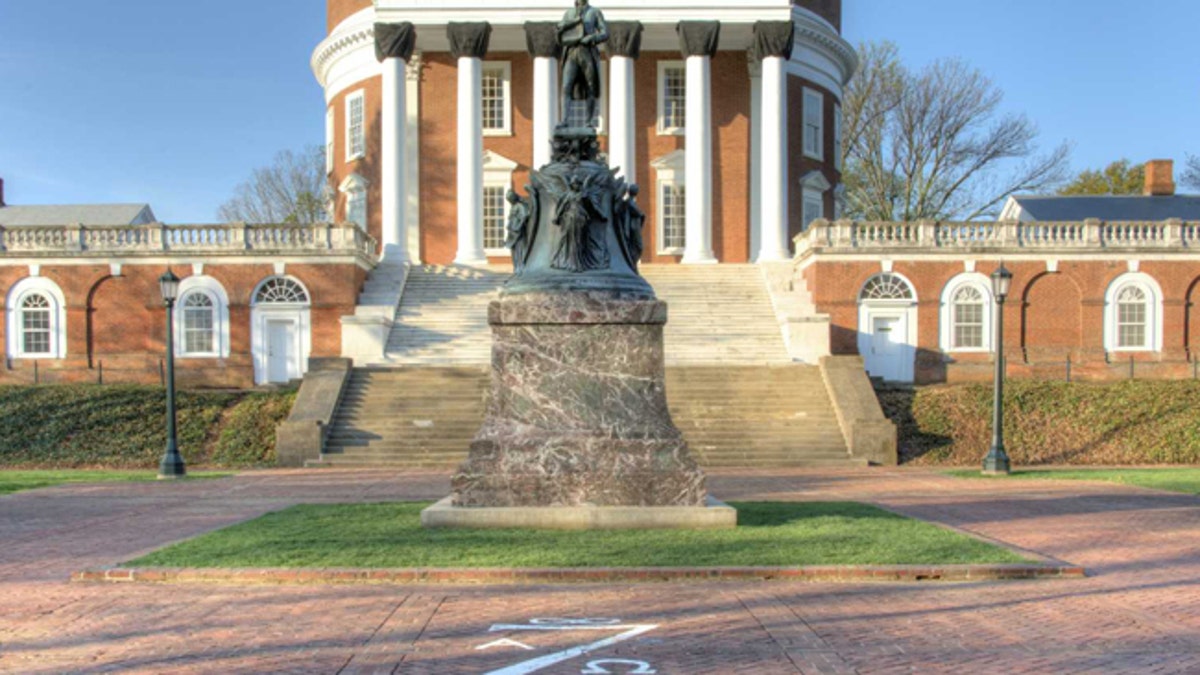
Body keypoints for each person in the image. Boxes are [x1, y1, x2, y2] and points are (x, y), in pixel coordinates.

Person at [556, 0, 608, 128]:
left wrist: (592, 38)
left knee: (590, 86)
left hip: (587, 52)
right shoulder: (569, 13)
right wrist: (571, 22)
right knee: (566, 86)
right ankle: (565, 120)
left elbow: (605, 32)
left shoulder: (595, 12)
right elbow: (560, 30)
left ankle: (589, 121)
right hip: (572, 52)